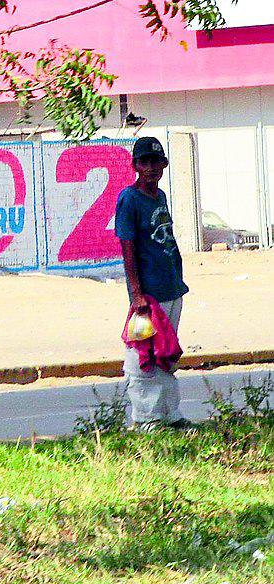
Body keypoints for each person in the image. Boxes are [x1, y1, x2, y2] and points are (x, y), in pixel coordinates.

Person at [115, 136, 191, 430]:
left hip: (171, 286)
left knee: (167, 352)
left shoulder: (159, 197)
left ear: (164, 165)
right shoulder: (129, 199)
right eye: (144, 162)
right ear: (135, 166)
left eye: (155, 161)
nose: (150, 167)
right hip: (148, 296)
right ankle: (146, 418)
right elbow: (128, 246)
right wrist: (136, 293)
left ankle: (169, 414)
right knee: (142, 356)